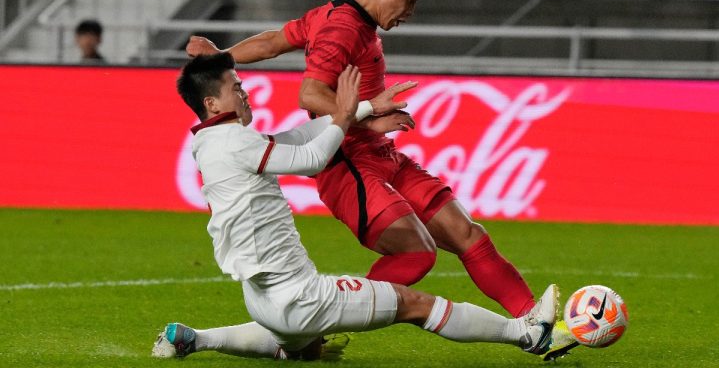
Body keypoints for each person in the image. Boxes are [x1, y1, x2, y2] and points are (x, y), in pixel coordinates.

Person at [185, 0, 577, 360]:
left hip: (381, 153)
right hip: (348, 162)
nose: (409, 12)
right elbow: (312, 95)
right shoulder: (342, 28)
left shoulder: (333, 16)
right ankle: (322, 319)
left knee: (467, 234)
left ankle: (536, 322)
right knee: (418, 251)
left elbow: (270, 43)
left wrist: (220, 58)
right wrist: (368, 119)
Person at [153, 53, 557, 361]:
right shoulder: (234, 142)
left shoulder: (212, 141)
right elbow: (311, 158)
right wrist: (344, 114)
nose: (244, 93)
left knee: (297, 346)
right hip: (302, 297)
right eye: (235, 88)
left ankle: (195, 339)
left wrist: (363, 111)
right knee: (416, 305)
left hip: (262, 299)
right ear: (211, 103)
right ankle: (526, 333)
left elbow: (296, 136)